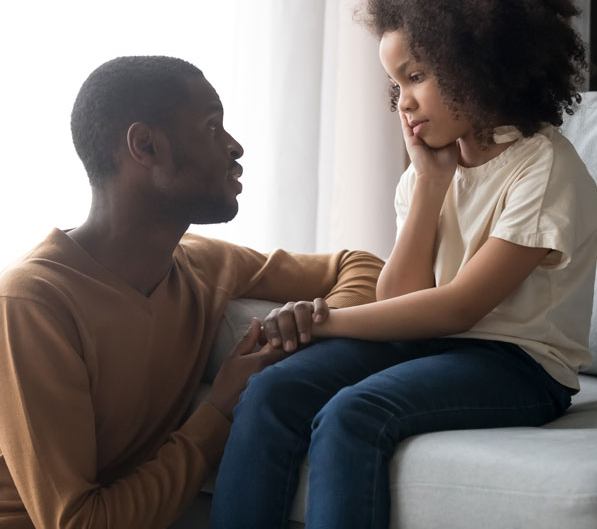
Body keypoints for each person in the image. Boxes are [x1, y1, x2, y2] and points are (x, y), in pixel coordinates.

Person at [209, 0, 597, 529]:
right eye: (395, 86)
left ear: (476, 61)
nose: (404, 103)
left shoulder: (541, 167)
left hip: (520, 364)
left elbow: (460, 306)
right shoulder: (429, 171)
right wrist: (428, 184)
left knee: (354, 412)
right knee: (270, 392)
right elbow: (398, 303)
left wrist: (322, 321)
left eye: (415, 76)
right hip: (435, 345)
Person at [0, 56, 383, 529]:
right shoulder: (33, 303)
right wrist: (218, 410)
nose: (235, 147)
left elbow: (361, 265)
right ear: (145, 145)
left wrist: (320, 323)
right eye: (212, 127)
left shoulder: (203, 263)